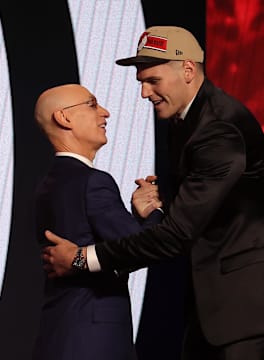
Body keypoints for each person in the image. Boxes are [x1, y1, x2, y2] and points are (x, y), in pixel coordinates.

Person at [42, 26, 264, 360]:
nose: (145, 93)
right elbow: (206, 208)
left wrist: (80, 257)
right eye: (141, 82)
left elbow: (178, 235)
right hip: (215, 310)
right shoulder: (185, 119)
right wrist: (156, 209)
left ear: (188, 70)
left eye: (153, 81)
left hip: (245, 311)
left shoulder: (218, 129)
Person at [32, 83, 163, 360]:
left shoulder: (49, 184)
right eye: (92, 105)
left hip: (60, 334)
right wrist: (154, 211)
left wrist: (136, 217)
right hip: (95, 341)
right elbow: (140, 249)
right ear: (63, 117)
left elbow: (113, 248)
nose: (105, 113)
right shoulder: (93, 181)